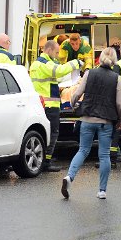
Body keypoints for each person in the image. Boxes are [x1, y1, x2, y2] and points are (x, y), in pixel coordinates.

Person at [61, 48, 121, 200]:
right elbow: (120, 104)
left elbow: (77, 94)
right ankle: (102, 190)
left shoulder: (89, 73)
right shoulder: (116, 78)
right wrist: (120, 119)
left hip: (87, 119)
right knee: (104, 155)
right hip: (105, 121)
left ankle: (69, 177)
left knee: (82, 150)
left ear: (100, 59)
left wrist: (73, 104)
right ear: (114, 60)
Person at [30, 40, 82, 172]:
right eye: (57, 52)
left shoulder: (38, 63)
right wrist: (75, 63)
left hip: (43, 104)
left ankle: (45, 159)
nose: (58, 55)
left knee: (46, 133)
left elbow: (56, 78)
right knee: (53, 133)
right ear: (49, 50)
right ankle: (46, 162)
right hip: (49, 105)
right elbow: (59, 71)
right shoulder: (44, 64)